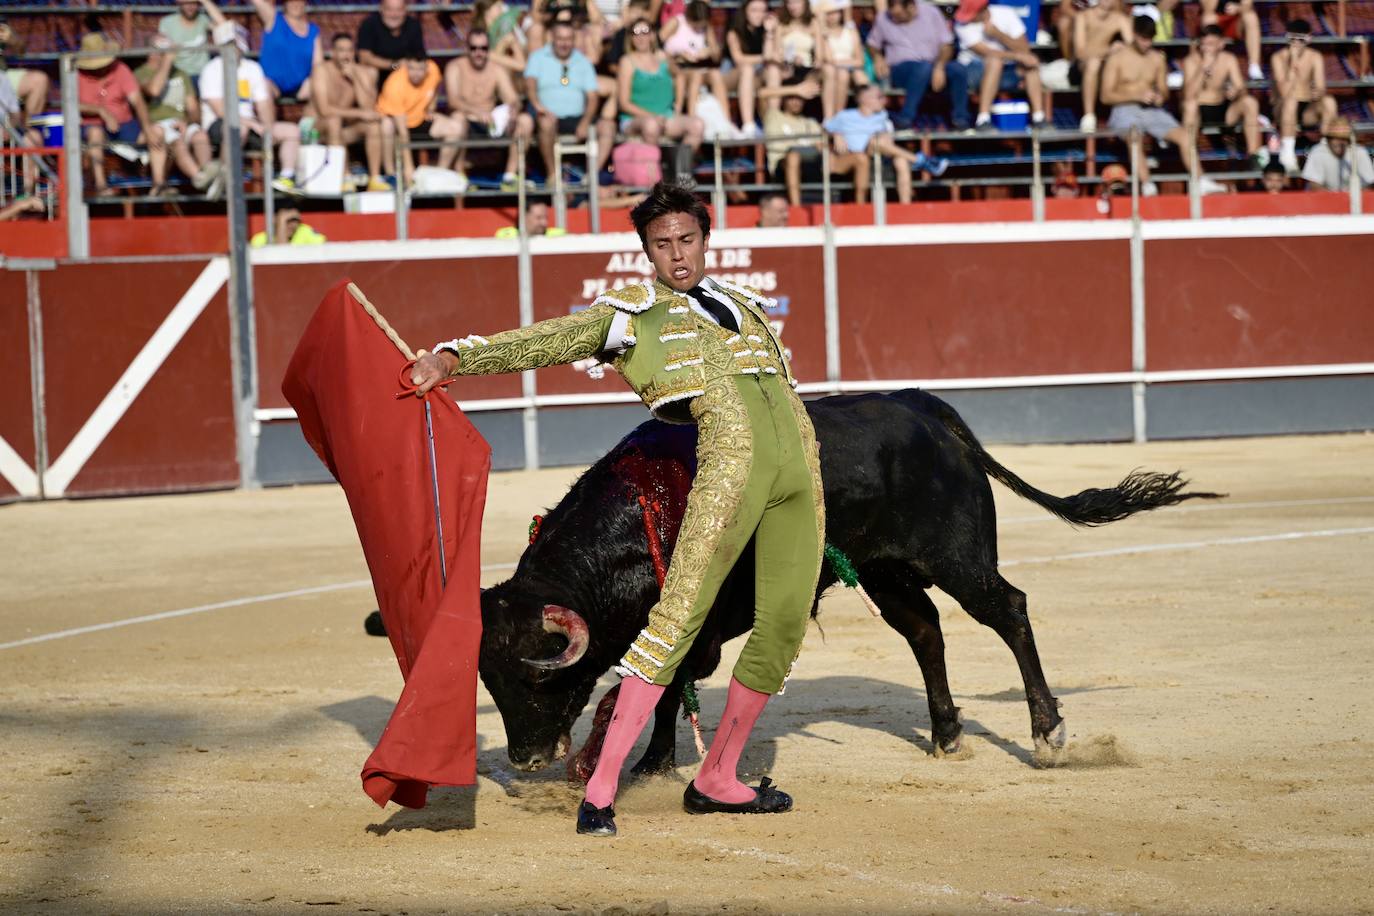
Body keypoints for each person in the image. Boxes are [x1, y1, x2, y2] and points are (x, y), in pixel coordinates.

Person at [409, 180, 825, 839]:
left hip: (801, 471)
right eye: (662, 245)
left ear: (705, 241)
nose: (678, 254)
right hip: (729, 468)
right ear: (646, 253)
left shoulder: (743, 305)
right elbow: (549, 341)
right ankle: (599, 792)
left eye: (687, 240)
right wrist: (457, 355)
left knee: (781, 625)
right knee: (675, 621)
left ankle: (719, 776)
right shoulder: (631, 314)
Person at [199, 25, 302, 193]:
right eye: (230, 44)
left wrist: (268, 127)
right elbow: (220, 110)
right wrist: (254, 125)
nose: (234, 48)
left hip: (251, 125)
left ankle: (287, 177)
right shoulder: (212, 69)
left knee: (291, 131)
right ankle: (225, 177)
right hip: (219, 125)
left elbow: (263, 104)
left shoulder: (253, 69)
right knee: (240, 130)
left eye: (237, 44)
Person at [1101, 15, 1190, 193]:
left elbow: (1164, 91)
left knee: (1186, 136)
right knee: (1135, 137)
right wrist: (1135, 94)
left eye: (1150, 39)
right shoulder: (1117, 58)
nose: (1146, 44)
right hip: (1124, 109)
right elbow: (1105, 96)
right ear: (1134, 34)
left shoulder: (1157, 59)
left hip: (1151, 110)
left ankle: (1200, 180)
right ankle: (1148, 185)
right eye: (1143, 39)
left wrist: (1159, 97)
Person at [824, 83, 945, 204]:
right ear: (864, 99)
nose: (884, 100)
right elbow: (825, 129)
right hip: (854, 156)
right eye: (879, 97)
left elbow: (887, 141)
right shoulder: (845, 116)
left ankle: (906, 207)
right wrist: (836, 134)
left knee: (900, 160)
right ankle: (921, 161)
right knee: (872, 145)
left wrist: (885, 137)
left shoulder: (883, 116)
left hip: (878, 153)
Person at [446, 30, 536, 191]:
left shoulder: (496, 69)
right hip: (468, 122)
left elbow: (513, 98)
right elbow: (453, 101)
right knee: (457, 118)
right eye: (474, 48)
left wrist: (513, 111)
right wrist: (476, 112)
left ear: (489, 49)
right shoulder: (455, 67)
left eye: (483, 48)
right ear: (467, 49)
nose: (479, 53)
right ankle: (460, 175)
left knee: (526, 121)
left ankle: (510, 177)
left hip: (492, 124)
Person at [524, 21, 615, 178]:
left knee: (608, 126)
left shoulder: (583, 61)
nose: (564, 43)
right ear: (552, 37)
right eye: (560, 38)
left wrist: (586, 122)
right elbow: (530, 87)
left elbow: (592, 97)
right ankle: (553, 175)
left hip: (577, 117)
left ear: (574, 40)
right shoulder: (537, 57)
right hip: (547, 115)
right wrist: (539, 107)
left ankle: (590, 177)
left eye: (568, 39)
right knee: (545, 123)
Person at [135, 34, 222, 196]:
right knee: (177, 142)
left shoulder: (181, 74)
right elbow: (154, 91)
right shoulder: (141, 74)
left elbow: (194, 109)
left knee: (200, 135)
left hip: (180, 123)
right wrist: (167, 61)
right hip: (157, 124)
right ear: (151, 52)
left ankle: (210, 179)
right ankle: (200, 179)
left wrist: (187, 122)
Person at [866, 0, 971, 132]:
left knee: (958, 69)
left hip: (933, 64)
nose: (895, 19)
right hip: (901, 69)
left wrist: (940, 66)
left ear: (911, 7)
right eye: (893, 15)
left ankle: (961, 120)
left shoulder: (931, 13)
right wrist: (877, 57)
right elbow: (872, 44)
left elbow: (947, 44)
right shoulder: (884, 18)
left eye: (899, 15)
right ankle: (905, 119)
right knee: (923, 68)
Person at [76, 33, 158, 197]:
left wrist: (148, 128)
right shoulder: (77, 75)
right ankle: (101, 185)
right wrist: (101, 111)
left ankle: (158, 184)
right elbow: (71, 104)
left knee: (156, 134)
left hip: (125, 125)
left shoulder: (120, 69)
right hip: (92, 127)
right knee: (95, 133)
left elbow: (137, 101)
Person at [953, 0, 1045, 132]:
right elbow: (987, 52)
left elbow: (1024, 48)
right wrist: (1019, 56)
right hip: (974, 71)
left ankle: (1039, 118)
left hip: (1006, 71)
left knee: (1030, 65)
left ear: (984, 9)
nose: (969, 18)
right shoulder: (962, 25)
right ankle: (983, 119)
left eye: (972, 14)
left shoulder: (1005, 13)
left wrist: (999, 35)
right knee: (995, 61)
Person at [314, 33, 388, 191]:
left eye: (349, 50)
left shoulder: (361, 72)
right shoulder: (321, 71)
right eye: (341, 50)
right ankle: (345, 177)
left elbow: (369, 108)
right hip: (319, 129)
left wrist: (356, 77)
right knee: (334, 121)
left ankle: (375, 178)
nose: (345, 55)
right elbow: (324, 110)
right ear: (333, 52)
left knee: (373, 125)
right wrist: (359, 114)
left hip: (342, 132)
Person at [619, 20, 704, 155]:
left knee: (697, 125)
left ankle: (679, 173)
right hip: (635, 119)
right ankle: (653, 174)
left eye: (645, 32)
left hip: (664, 117)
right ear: (631, 37)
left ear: (652, 35)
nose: (641, 37)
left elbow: (680, 75)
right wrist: (653, 116)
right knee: (651, 125)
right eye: (636, 33)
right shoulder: (627, 62)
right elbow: (624, 103)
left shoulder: (662, 57)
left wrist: (678, 105)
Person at [376, 55, 463, 186]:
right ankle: (391, 174)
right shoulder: (394, 84)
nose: (415, 74)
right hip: (398, 125)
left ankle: (440, 174)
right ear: (406, 67)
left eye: (420, 69)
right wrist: (408, 167)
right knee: (386, 125)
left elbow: (437, 84)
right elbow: (402, 132)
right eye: (411, 68)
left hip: (420, 119)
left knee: (456, 128)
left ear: (426, 68)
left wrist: (432, 107)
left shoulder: (433, 69)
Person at [1182, 25, 1262, 167]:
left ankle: (1253, 155)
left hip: (1222, 108)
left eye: (1211, 44)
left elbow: (1241, 88)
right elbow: (1188, 95)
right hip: (1199, 111)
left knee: (1250, 102)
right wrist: (1203, 68)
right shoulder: (1191, 61)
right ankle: (1191, 161)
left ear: (1221, 44)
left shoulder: (1228, 59)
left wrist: (1236, 92)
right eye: (1204, 44)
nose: (1206, 48)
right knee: (1190, 106)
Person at [1270, 19, 1337, 175]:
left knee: (1329, 101)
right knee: (1291, 99)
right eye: (1292, 39)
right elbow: (1284, 91)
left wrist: (1317, 93)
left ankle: (1326, 149)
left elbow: (1321, 86)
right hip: (1283, 108)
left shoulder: (1315, 57)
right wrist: (1293, 62)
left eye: (1301, 39)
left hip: (1307, 108)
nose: (1296, 44)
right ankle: (1287, 154)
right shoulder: (1279, 57)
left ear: (1309, 39)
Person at [659, 0, 726, 118]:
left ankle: (726, 120)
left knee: (715, 74)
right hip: (676, 66)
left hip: (697, 66)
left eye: (702, 24)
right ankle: (692, 117)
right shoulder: (676, 22)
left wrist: (710, 51)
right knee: (697, 75)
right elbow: (658, 47)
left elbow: (716, 54)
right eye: (697, 24)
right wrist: (679, 54)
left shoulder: (706, 28)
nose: (699, 27)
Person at [1071, 0, 1130, 133]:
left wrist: (1123, 48)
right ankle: (1089, 116)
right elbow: (1080, 52)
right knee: (1093, 63)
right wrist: (1108, 51)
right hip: (1082, 66)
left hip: (1106, 65)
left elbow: (1132, 47)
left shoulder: (1119, 19)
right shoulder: (1083, 17)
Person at [248, 0, 322, 100]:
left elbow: (318, 65)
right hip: (272, 84)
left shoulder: (313, 31)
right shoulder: (273, 19)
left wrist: (312, 81)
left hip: (301, 87)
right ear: (285, 3)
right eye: (291, 1)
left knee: (320, 84)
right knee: (262, 87)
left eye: (300, 1)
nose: (296, 4)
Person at [722, 0, 771, 134]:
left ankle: (773, 123)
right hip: (730, 75)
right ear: (745, 11)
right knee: (747, 69)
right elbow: (739, 59)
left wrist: (770, 33)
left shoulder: (766, 31)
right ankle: (748, 125)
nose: (759, 15)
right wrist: (764, 58)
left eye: (763, 10)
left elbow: (771, 55)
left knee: (773, 72)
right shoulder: (734, 31)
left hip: (753, 78)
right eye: (754, 10)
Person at [356, 0, 426, 89]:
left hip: (404, 77)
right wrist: (394, 65)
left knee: (430, 69)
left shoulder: (414, 26)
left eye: (399, 10)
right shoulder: (369, 24)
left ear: (405, 10)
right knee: (370, 72)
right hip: (376, 78)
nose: (394, 14)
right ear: (381, 9)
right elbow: (364, 58)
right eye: (389, 9)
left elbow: (419, 57)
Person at [819, 0, 867, 122]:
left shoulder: (850, 30)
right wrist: (847, 61)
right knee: (841, 74)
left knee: (856, 77)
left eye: (834, 12)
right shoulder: (822, 33)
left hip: (849, 68)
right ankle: (832, 117)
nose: (832, 16)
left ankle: (841, 116)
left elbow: (860, 60)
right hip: (835, 70)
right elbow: (827, 58)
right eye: (828, 13)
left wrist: (840, 62)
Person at [1300, 117, 1373, 192]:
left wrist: (1352, 198)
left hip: (1354, 199)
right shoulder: (1318, 152)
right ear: (1328, 139)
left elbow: (1369, 184)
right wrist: (1337, 199)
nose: (1340, 142)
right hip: (1323, 200)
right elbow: (1314, 186)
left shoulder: (1359, 152)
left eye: (1344, 139)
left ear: (1349, 141)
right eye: (1335, 138)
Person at [1199, 0, 1262, 81]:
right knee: (1208, 18)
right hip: (1217, 20)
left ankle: (1254, 65)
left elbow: (1247, 5)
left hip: (1237, 21)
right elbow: (1208, 8)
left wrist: (1238, 8)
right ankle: (1208, 63)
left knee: (1250, 16)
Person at [158, 0, 215, 78]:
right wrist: (160, 43)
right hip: (178, 74)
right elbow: (158, 42)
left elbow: (224, 28)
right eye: (187, 3)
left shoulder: (203, 19)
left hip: (202, 73)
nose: (190, 7)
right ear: (180, 4)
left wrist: (206, 1)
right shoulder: (167, 22)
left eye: (193, 3)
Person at [249, 205, 326, 246]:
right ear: (274, 219)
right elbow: (280, 257)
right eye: (288, 221)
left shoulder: (305, 231)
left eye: (295, 220)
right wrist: (282, 222)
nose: (292, 225)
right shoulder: (260, 239)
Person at [494, 199, 569, 236]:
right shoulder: (506, 236)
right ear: (524, 217)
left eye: (545, 218)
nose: (544, 223)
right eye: (538, 218)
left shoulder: (558, 236)